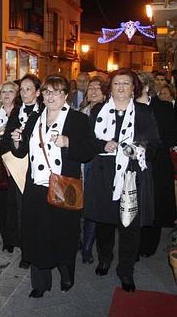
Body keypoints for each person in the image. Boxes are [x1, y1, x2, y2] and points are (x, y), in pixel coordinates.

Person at [10, 75, 95, 298]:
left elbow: (88, 150)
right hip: (36, 187)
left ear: (66, 95)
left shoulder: (77, 120)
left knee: (63, 234)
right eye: (47, 91)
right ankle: (40, 282)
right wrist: (17, 140)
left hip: (62, 186)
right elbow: (21, 153)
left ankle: (66, 272)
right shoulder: (35, 118)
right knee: (35, 234)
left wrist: (68, 142)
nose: (50, 96)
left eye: (56, 92)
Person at [84, 69, 161, 292]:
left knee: (129, 225)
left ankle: (126, 270)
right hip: (103, 172)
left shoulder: (144, 112)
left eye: (126, 84)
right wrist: (102, 145)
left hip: (131, 174)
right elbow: (89, 141)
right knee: (104, 221)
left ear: (133, 88)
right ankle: (105, 258)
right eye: (117, 83)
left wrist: (138, 148)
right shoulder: (98, 109)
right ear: (110, 87)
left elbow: (155, 144)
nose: (120, 88)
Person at [1, 73, 44, 268]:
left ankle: (38, 245)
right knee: (20, 209)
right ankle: (25, 251)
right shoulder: (16, 111)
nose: (25, 92)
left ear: (37, 92)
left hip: (38, 167)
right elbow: (5, 140)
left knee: (36, 209)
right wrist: (8, 160)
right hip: (18, 166)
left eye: (29, 89)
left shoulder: (43, 111)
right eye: (23, 89)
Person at [135, 73, 177, 258]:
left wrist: (148, 147)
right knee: (134, 203)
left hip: (157, 163)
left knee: (155, 205)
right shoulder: (128, 107)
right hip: (133, 164)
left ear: (146, 87)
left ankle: (149, 245)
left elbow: (170, 137)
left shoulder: (164, 107)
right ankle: (133, 245)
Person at [79, 75, 108, 264]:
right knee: (79, 204)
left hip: (96, 163)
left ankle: (87, 247)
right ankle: (81, 242)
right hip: (80, 162)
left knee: (92, 207)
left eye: (98, 88)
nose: (94, 91)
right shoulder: (82, 110)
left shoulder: (106, 111)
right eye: (91, 88)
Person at [0, 81, 21, 253]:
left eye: (10, 91)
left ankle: (19, 237)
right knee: (2, 204)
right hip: (0, 165)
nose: (6, 94)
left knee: (16, 204)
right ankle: (7, 239)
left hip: (17, 164)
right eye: (3, 91)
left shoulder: (21, 113)